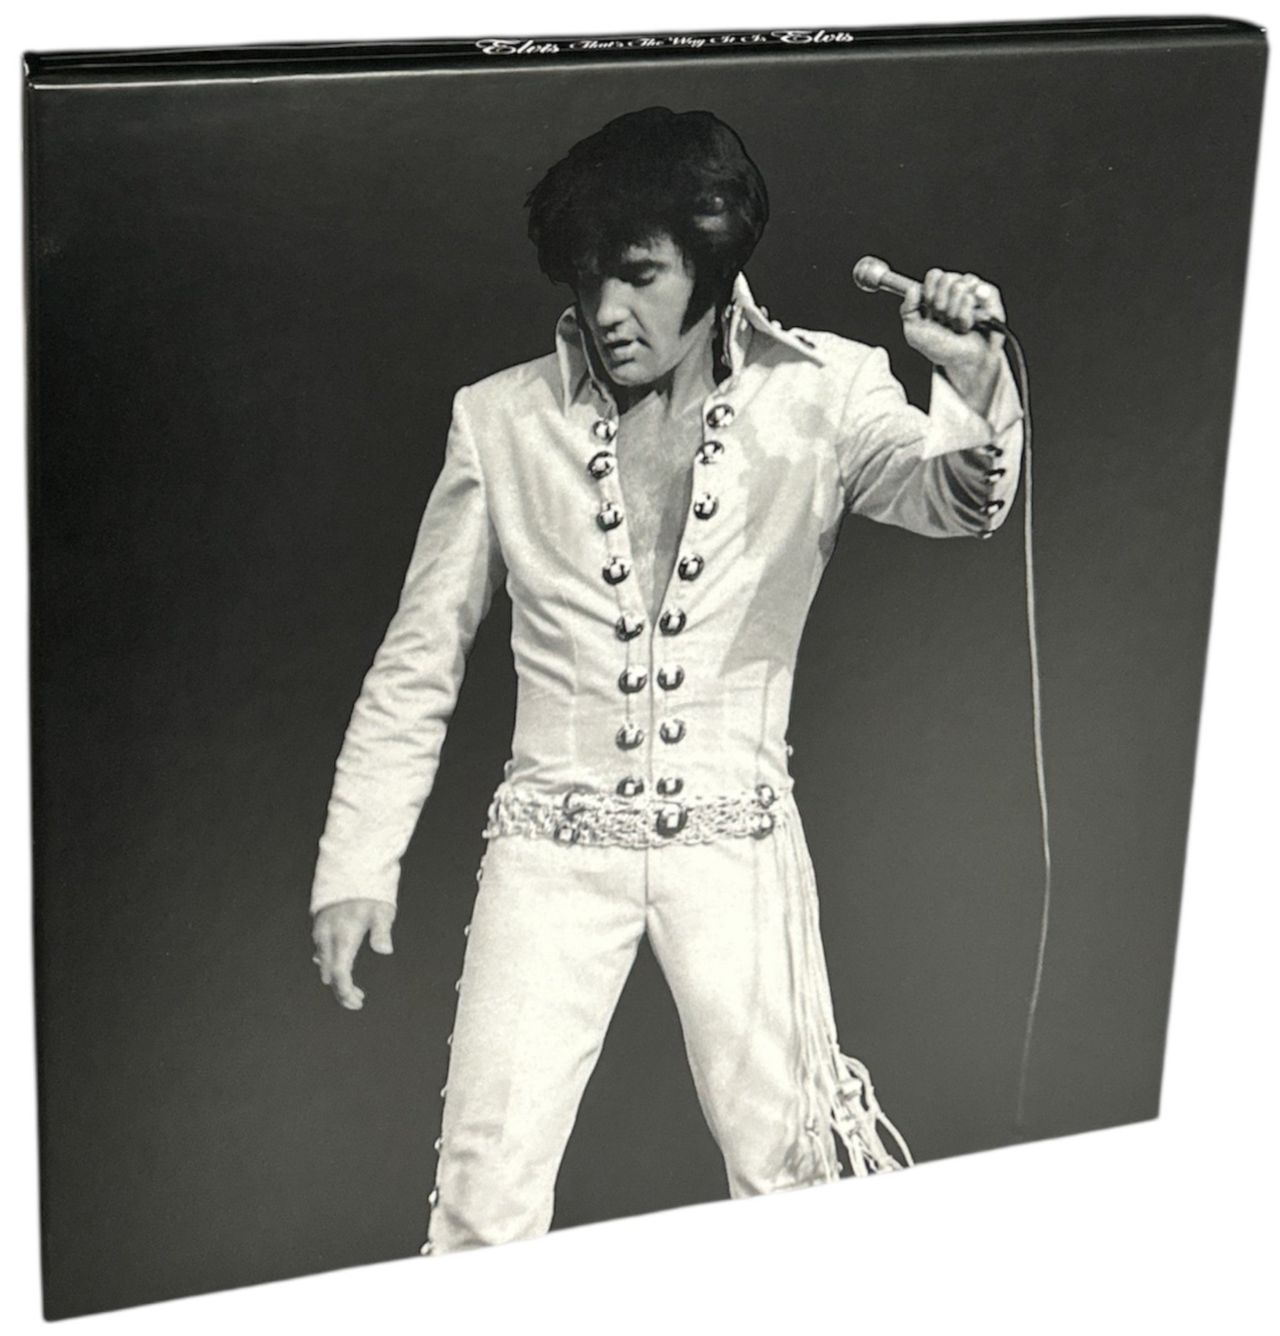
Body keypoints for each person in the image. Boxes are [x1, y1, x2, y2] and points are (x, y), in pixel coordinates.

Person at [308, 106, 1023, 1254]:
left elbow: (958, 501)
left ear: (711, 259)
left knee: (797, 1182)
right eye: (586, 276)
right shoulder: (498, 421)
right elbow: (418, 656)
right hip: (548, 849)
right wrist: (356, 862)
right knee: (482, 1204)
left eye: (637, 274)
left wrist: (972, 376)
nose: (605, 309)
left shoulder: (823, 389)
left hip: (736, 847)